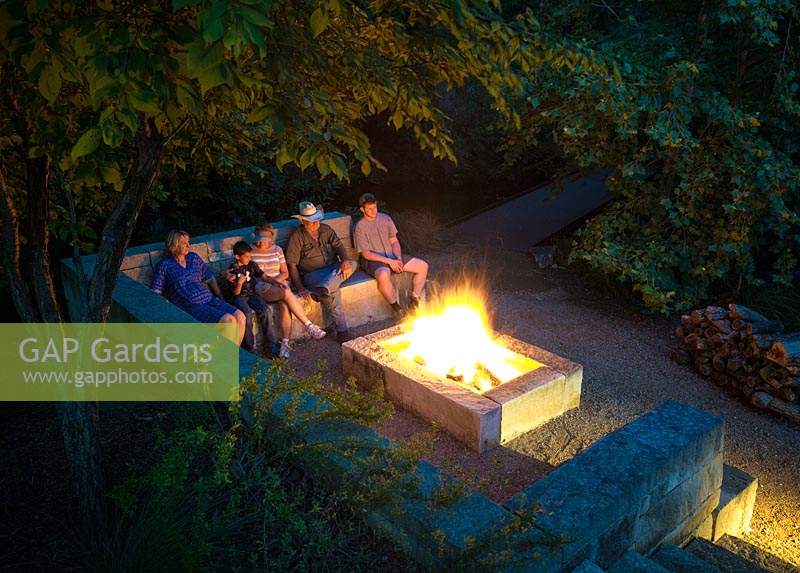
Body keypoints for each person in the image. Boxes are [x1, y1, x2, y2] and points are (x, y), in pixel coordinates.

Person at [151, 230, 245, 345]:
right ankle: (226, 358)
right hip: (190, 305)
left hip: (209, 299)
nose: (188, 245)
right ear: (174, 245)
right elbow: (155, 292)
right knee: (229, 320)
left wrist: (221, 297)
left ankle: (235, 356)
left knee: (240, 317)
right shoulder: (164, 265)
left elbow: (209, 278)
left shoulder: (193, 257)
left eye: (188, 242)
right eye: (184, 243)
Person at [248, 224, 326, 358]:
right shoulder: (250, 251)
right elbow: (249, 275)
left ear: (271, 240)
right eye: (259, 239)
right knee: (286, 293)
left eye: (264, 240)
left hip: (278, 283)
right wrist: (268, 283)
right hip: (262, 286)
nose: (261, 243)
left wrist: (276, 281)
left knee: (285, 306)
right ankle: (309, 325)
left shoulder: (277, 249)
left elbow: (285, 272)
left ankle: (285, 344)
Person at [285, 201, 357, 343]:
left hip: (332, 269)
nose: (315, 223)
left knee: (352, 264)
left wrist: (344, 260)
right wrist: (300, 288)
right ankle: (342, 331)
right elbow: (292, 265)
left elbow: (339, 246)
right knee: (333, 291)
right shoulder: (297, 237)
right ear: (303, 221)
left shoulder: (326, 229)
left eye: (316, 219)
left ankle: (325, 288)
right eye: (311, 221)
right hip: (312, 274)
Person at [353, 193, 428, 318]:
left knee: (423, 266)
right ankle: (397, 309)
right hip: (374, 259)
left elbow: (394, 241)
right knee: (383, 275)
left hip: (392, 254)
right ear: (362, 209)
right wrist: (389, 262)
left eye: (375, 207)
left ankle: (414, 301)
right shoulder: (360, 226)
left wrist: (398, 259)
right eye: (369, 208)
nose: (373, 211)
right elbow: (366, 254)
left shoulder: (385, 218)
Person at [217, 241, 269, 354]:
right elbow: (236, 294)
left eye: (250, 256)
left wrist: (275, 283)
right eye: (246, 256)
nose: (249, 259)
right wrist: (239, 283)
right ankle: (249, 348)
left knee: (265, 310)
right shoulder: (232, 271)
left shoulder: (251, 265)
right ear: (237, 256)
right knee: (248, 314)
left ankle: (270, 343)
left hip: (251, 294)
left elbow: (264, 276)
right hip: (239, 297)